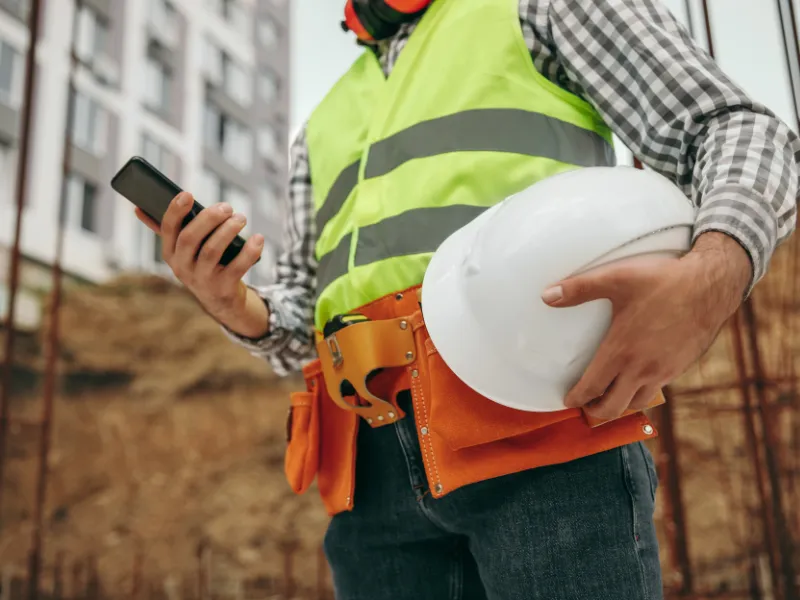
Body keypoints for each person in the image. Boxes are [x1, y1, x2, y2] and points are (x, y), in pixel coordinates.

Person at [135, 1, 799, 598]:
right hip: (368, 486)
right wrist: (232, 304)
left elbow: (738, 128)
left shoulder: (537, 8)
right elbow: (308, 320)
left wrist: (715, 272)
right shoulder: (322, 123)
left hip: (543, 443)